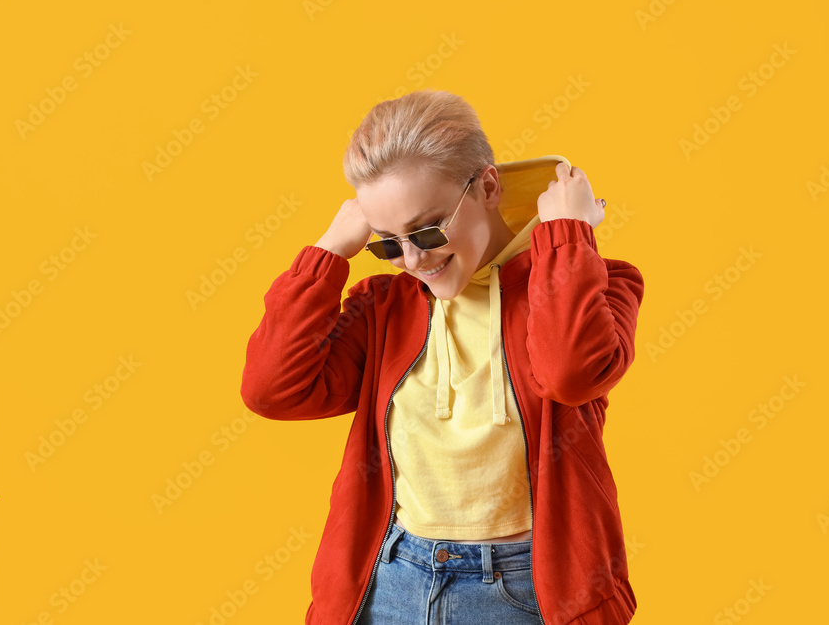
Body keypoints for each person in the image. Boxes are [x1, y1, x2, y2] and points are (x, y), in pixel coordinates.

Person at [240, 89, 644, 624]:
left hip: (530, 591)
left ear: (489, 187)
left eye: (428, 229)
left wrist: (566, 237)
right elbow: (272, 389)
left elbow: (569, 373)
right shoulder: (384, 309)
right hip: (391, 583)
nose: (411, 259)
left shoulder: (595, 285)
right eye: (387, 242)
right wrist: (329, 252)